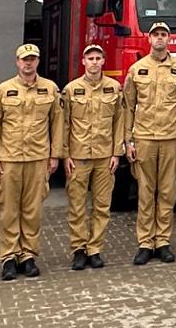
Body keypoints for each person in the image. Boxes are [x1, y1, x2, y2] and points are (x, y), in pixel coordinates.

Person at [0, 44, 64, 280]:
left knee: (32, 210)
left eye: (32, 59)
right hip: (9, 158)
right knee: (9, 210)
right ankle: (9, 257)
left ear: (38, 61)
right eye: (24, 59)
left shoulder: (50, 89)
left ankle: (28, 256)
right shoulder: (3, 90)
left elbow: (58, 123)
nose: (28, 63)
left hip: (38, 158)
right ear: (17, 62)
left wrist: (55, 155)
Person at [124, 22, 176, 264]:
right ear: (149, 39)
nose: (160, 38)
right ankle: (145, 242)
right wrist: (128, 141)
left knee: (168, 192)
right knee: (145, 192)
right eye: (155, 35)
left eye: (164, 34)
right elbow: (128, 107)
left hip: (171, 138)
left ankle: (162, 241)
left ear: (169, 39)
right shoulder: (137, 69)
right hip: (144, 138)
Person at [62, 45, 129, 270]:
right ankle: (79, 249)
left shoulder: (114, 88)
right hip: (78, 156)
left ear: (103, 61)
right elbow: (64, 124)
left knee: (102, 205)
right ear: (83, 61)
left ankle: (95, 249)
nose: (94, 62)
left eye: (98, 58)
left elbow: (119, 121)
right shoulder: (71, 89)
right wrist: (65, 154)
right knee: (77, 205)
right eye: (90, 58)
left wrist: (117, 153)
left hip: (104, 156)